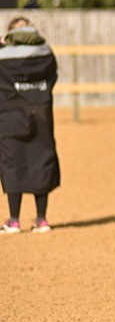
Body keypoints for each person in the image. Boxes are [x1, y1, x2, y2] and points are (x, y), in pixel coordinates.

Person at [0, 17, 61, 232]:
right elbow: (53, 76)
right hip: (41, 116)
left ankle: (14, 220)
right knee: (41, 161)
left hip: (10, 118)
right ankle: (42, 219)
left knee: (12, 165)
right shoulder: (46, 54)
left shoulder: (3, 59)